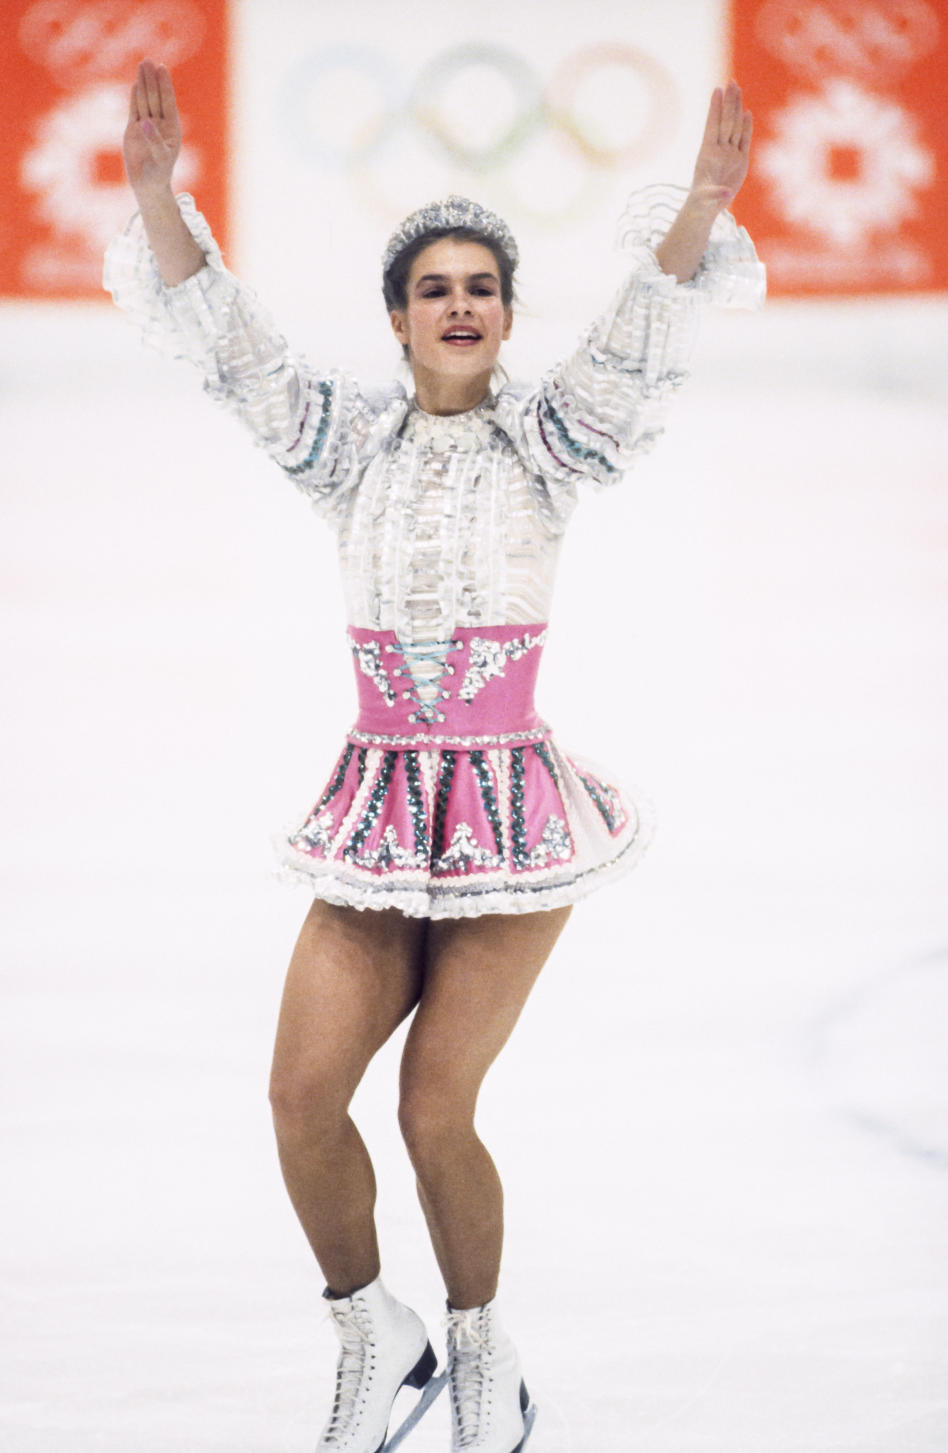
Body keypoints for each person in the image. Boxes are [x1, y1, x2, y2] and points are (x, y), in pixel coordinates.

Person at [105, 57, 763, 1453]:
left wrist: (700, 208)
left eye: (481, 286)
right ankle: (373, 1330)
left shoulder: (552, 445)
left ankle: (482, 1354)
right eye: (433, 287)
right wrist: (161, 200)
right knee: (297, 1097)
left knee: (430, 1107)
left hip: (513, 821)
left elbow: (642, 339)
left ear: (508, 317)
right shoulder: (349, 446)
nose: (460, 303)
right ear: (400, 321)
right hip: (377, 810)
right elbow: (234, 351)